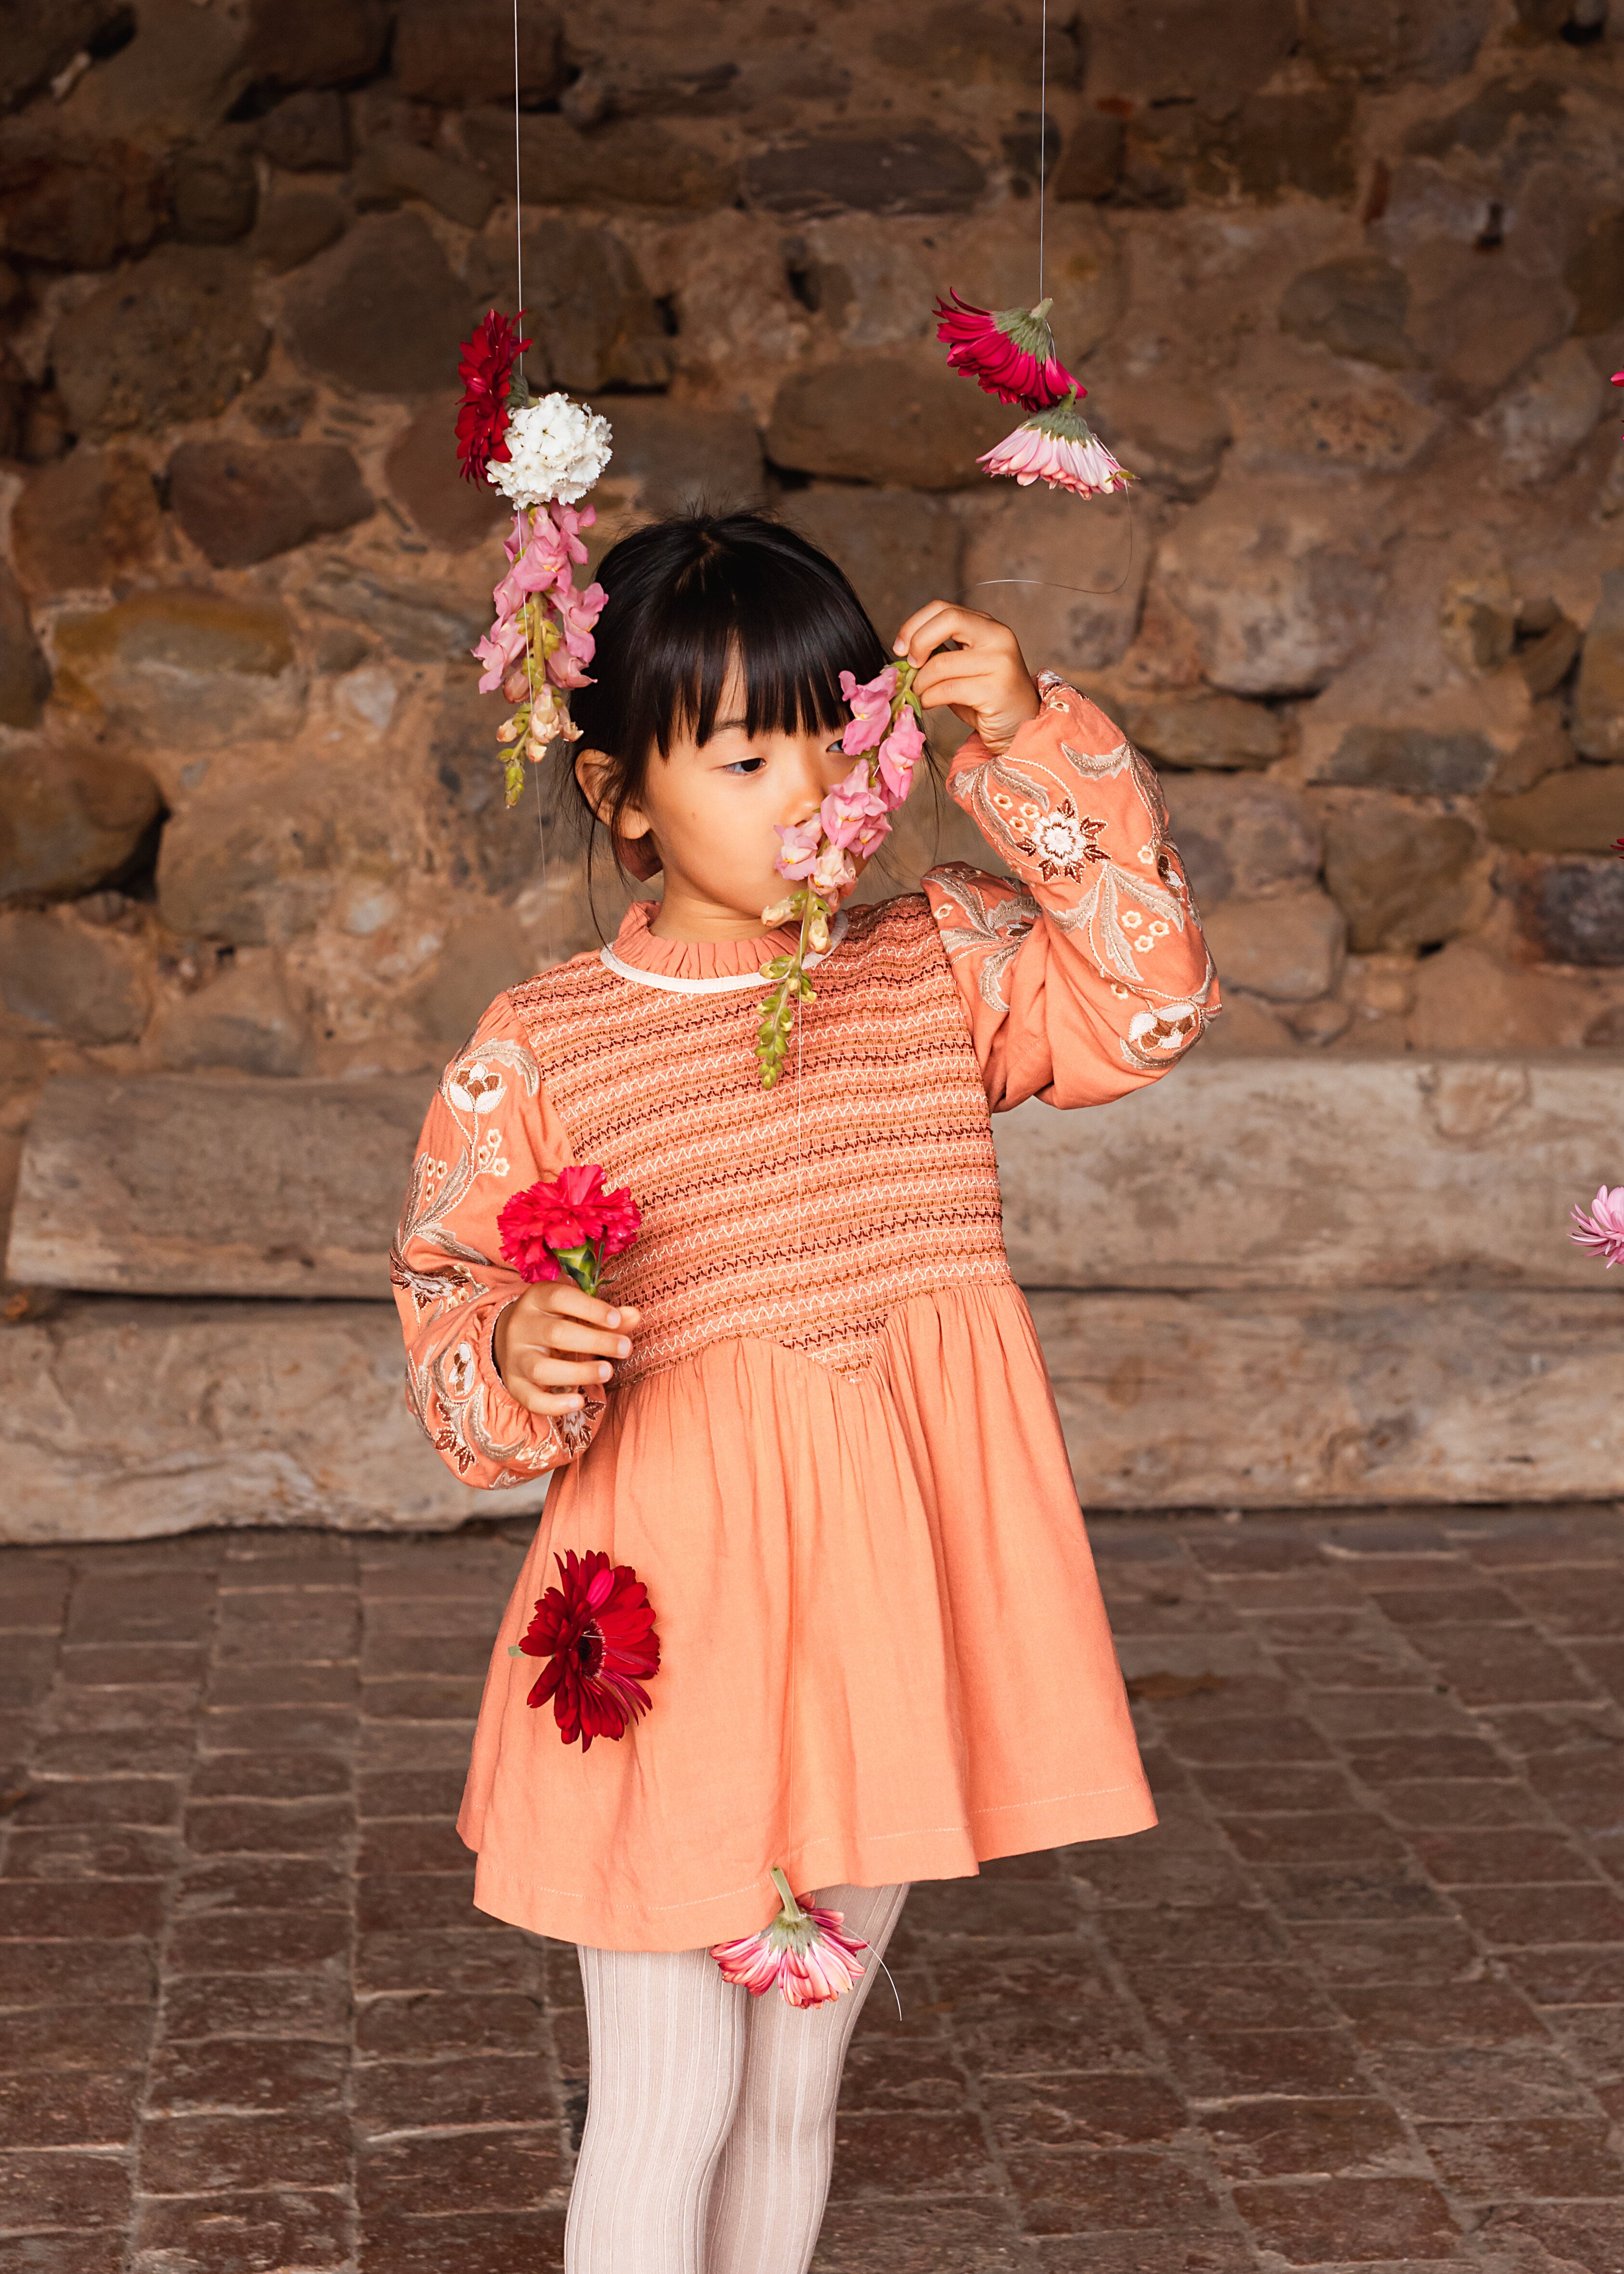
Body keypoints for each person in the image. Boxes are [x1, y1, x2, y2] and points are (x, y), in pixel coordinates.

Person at [393, 511, 1218, 2273]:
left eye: (837, 746)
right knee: (671, 2092)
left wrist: (1029, 733)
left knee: (788, 2088)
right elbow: (453, 1321)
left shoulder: (941, 965)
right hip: (666, 1646)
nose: (807, 798)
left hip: (877, 1629)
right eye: (745, 757)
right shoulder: (545, 1043)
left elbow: (1151, 999)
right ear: (623, 796)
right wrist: (516, 1346)